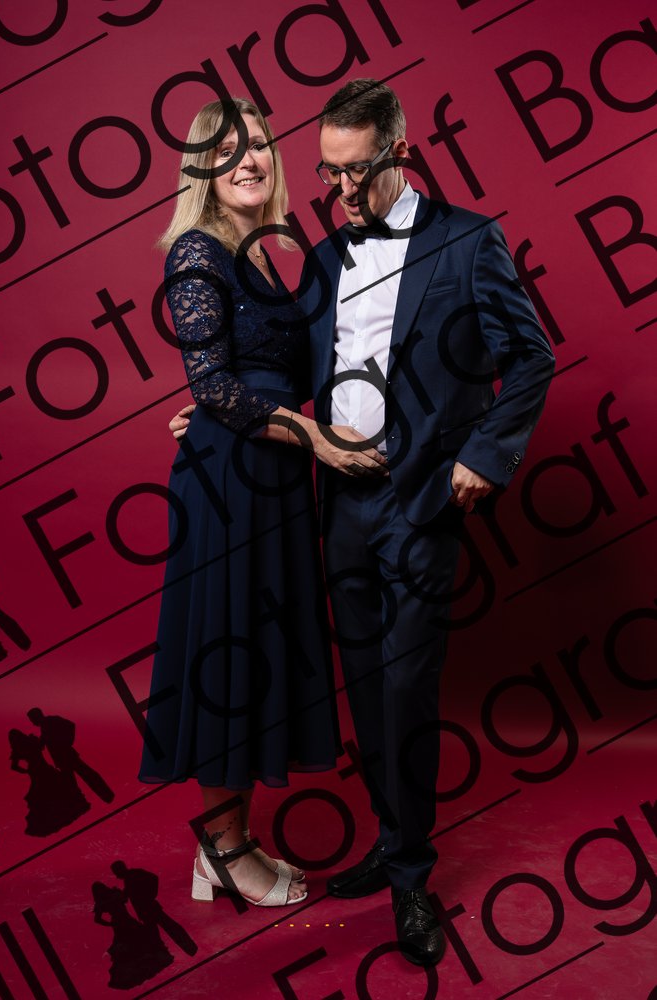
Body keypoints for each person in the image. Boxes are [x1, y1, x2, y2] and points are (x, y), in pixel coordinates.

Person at [171, 80, 555, 964]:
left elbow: (530, 356)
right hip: (340, 500)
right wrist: (220, 407)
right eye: (327, 172)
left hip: (422, 499)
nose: (340, 189)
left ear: (400, 152)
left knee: (407, 684)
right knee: (365, 687)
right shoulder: (323, 257)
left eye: (356, 170)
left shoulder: (468, 241)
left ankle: (411, 876)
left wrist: (483, 456)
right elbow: (282, 360)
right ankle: (389, 841)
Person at [138, 98, 386, 910]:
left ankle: (230, 840)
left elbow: (262, 374)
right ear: (201, 168)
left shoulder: (270, 255)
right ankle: (222, 846)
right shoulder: (196, 252)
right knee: (229, 649)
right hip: (231, 484)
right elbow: (214, 382)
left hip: (269, 472)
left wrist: (241, 407)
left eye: (258, 145)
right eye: (227, 150)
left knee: (256, 651)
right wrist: (309, 435)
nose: (248, 160)